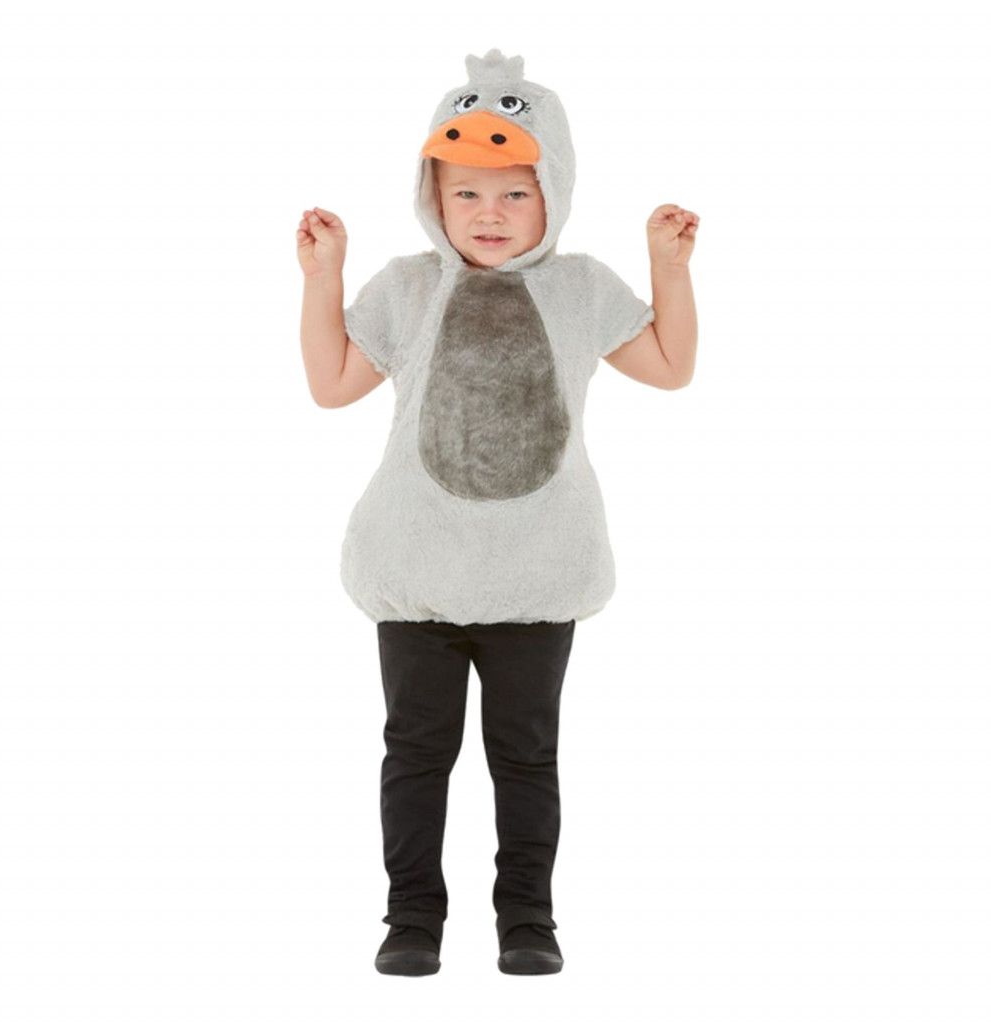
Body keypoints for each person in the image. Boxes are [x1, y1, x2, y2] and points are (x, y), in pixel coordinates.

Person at [295, 48, 699, 977]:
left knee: (525, 758)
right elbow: (332, 384)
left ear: (555, 189)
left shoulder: (581, 287)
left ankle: (528, 920)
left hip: (536, 573)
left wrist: (667, 269)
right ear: (432, 196)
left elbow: (671, 367)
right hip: (417, 575)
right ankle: (411, 920)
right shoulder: (407, 286)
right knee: (415, 754)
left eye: (516, 193)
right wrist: (324, 281)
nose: (489, 213)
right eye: (467, 192)